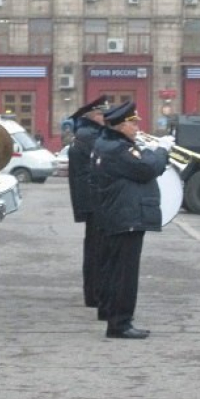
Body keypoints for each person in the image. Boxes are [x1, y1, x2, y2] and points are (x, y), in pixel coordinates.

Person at [92, 101, 169, 339]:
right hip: (127, 217)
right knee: (125, 273)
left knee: (114, 270)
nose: (137, 126)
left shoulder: (107, 143)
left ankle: (113, 314)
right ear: (121, 125)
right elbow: (147, 168)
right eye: (132, 122)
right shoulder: (118, 149)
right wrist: (162, 150)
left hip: (117, 215)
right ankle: (120, 323)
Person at [67, 96, 109, 310]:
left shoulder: (86, 133)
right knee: (96, 249)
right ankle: (94, 294)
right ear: (91, 116)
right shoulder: (89, 135)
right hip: (95, 199)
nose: (105, 118)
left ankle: (94, 292)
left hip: (91, 198)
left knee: (94, 247)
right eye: (102, 114)